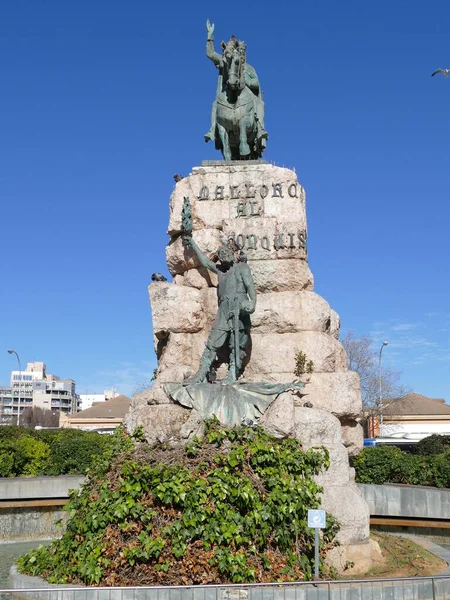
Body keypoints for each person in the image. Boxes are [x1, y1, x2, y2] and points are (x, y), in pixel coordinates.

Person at [183, 236, 256, 384]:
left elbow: (250, 287)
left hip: (239, 306)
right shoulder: (221, 271)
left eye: (227, 254)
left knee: (237, 343)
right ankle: (201, 372)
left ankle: (233, 373)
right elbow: (205, 261)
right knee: (213, 341)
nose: (224, 258)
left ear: (232, 255)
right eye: (221, 256)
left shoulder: (242, 268)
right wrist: (192, 244)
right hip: (224, 309)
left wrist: (252, 303)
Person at [204, 19, 267, 147]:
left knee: (259, 103)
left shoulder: (249, 68)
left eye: (243, 52)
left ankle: (260, 129)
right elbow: (210, 54)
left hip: (245, 92)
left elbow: (256, 84)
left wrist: (246, 81)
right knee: (215, 104)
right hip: (228, 92)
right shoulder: (225, 62)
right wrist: (210, 37)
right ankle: (212, 130)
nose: (242, 54)